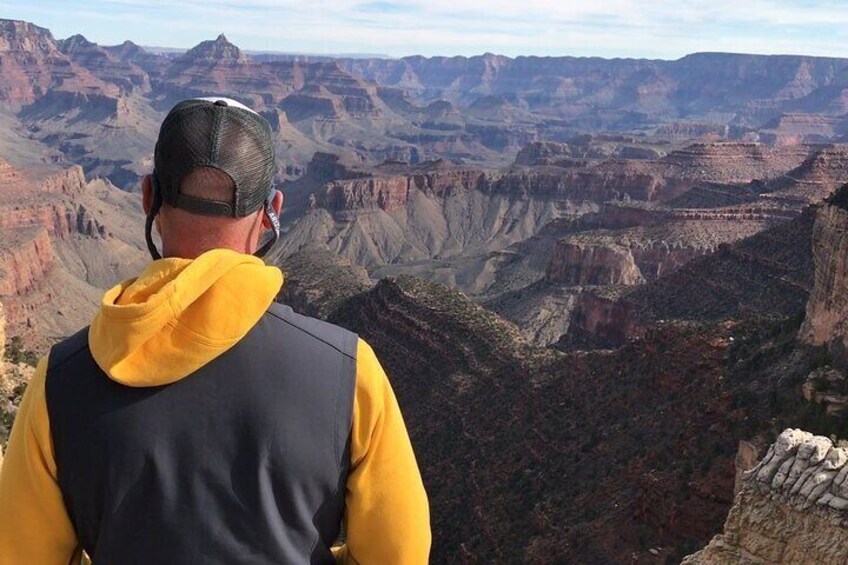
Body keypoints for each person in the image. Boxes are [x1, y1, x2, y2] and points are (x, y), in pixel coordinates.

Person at [0, 97, 431, 564]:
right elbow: (400, 553)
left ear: (147, 197)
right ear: (273, 212)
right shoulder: (350, 371)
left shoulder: (58, 382)